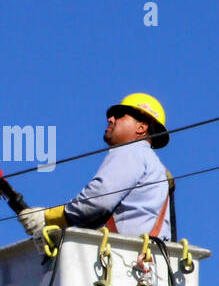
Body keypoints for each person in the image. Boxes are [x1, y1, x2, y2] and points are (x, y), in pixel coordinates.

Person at [19, 93, 173, 239]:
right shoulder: (155, 166)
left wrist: (48, 217)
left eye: (119, 115)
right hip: (147, 260)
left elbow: (99, 200)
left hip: (123, 259)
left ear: (141, 127)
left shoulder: (130, 151)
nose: (110, 119)